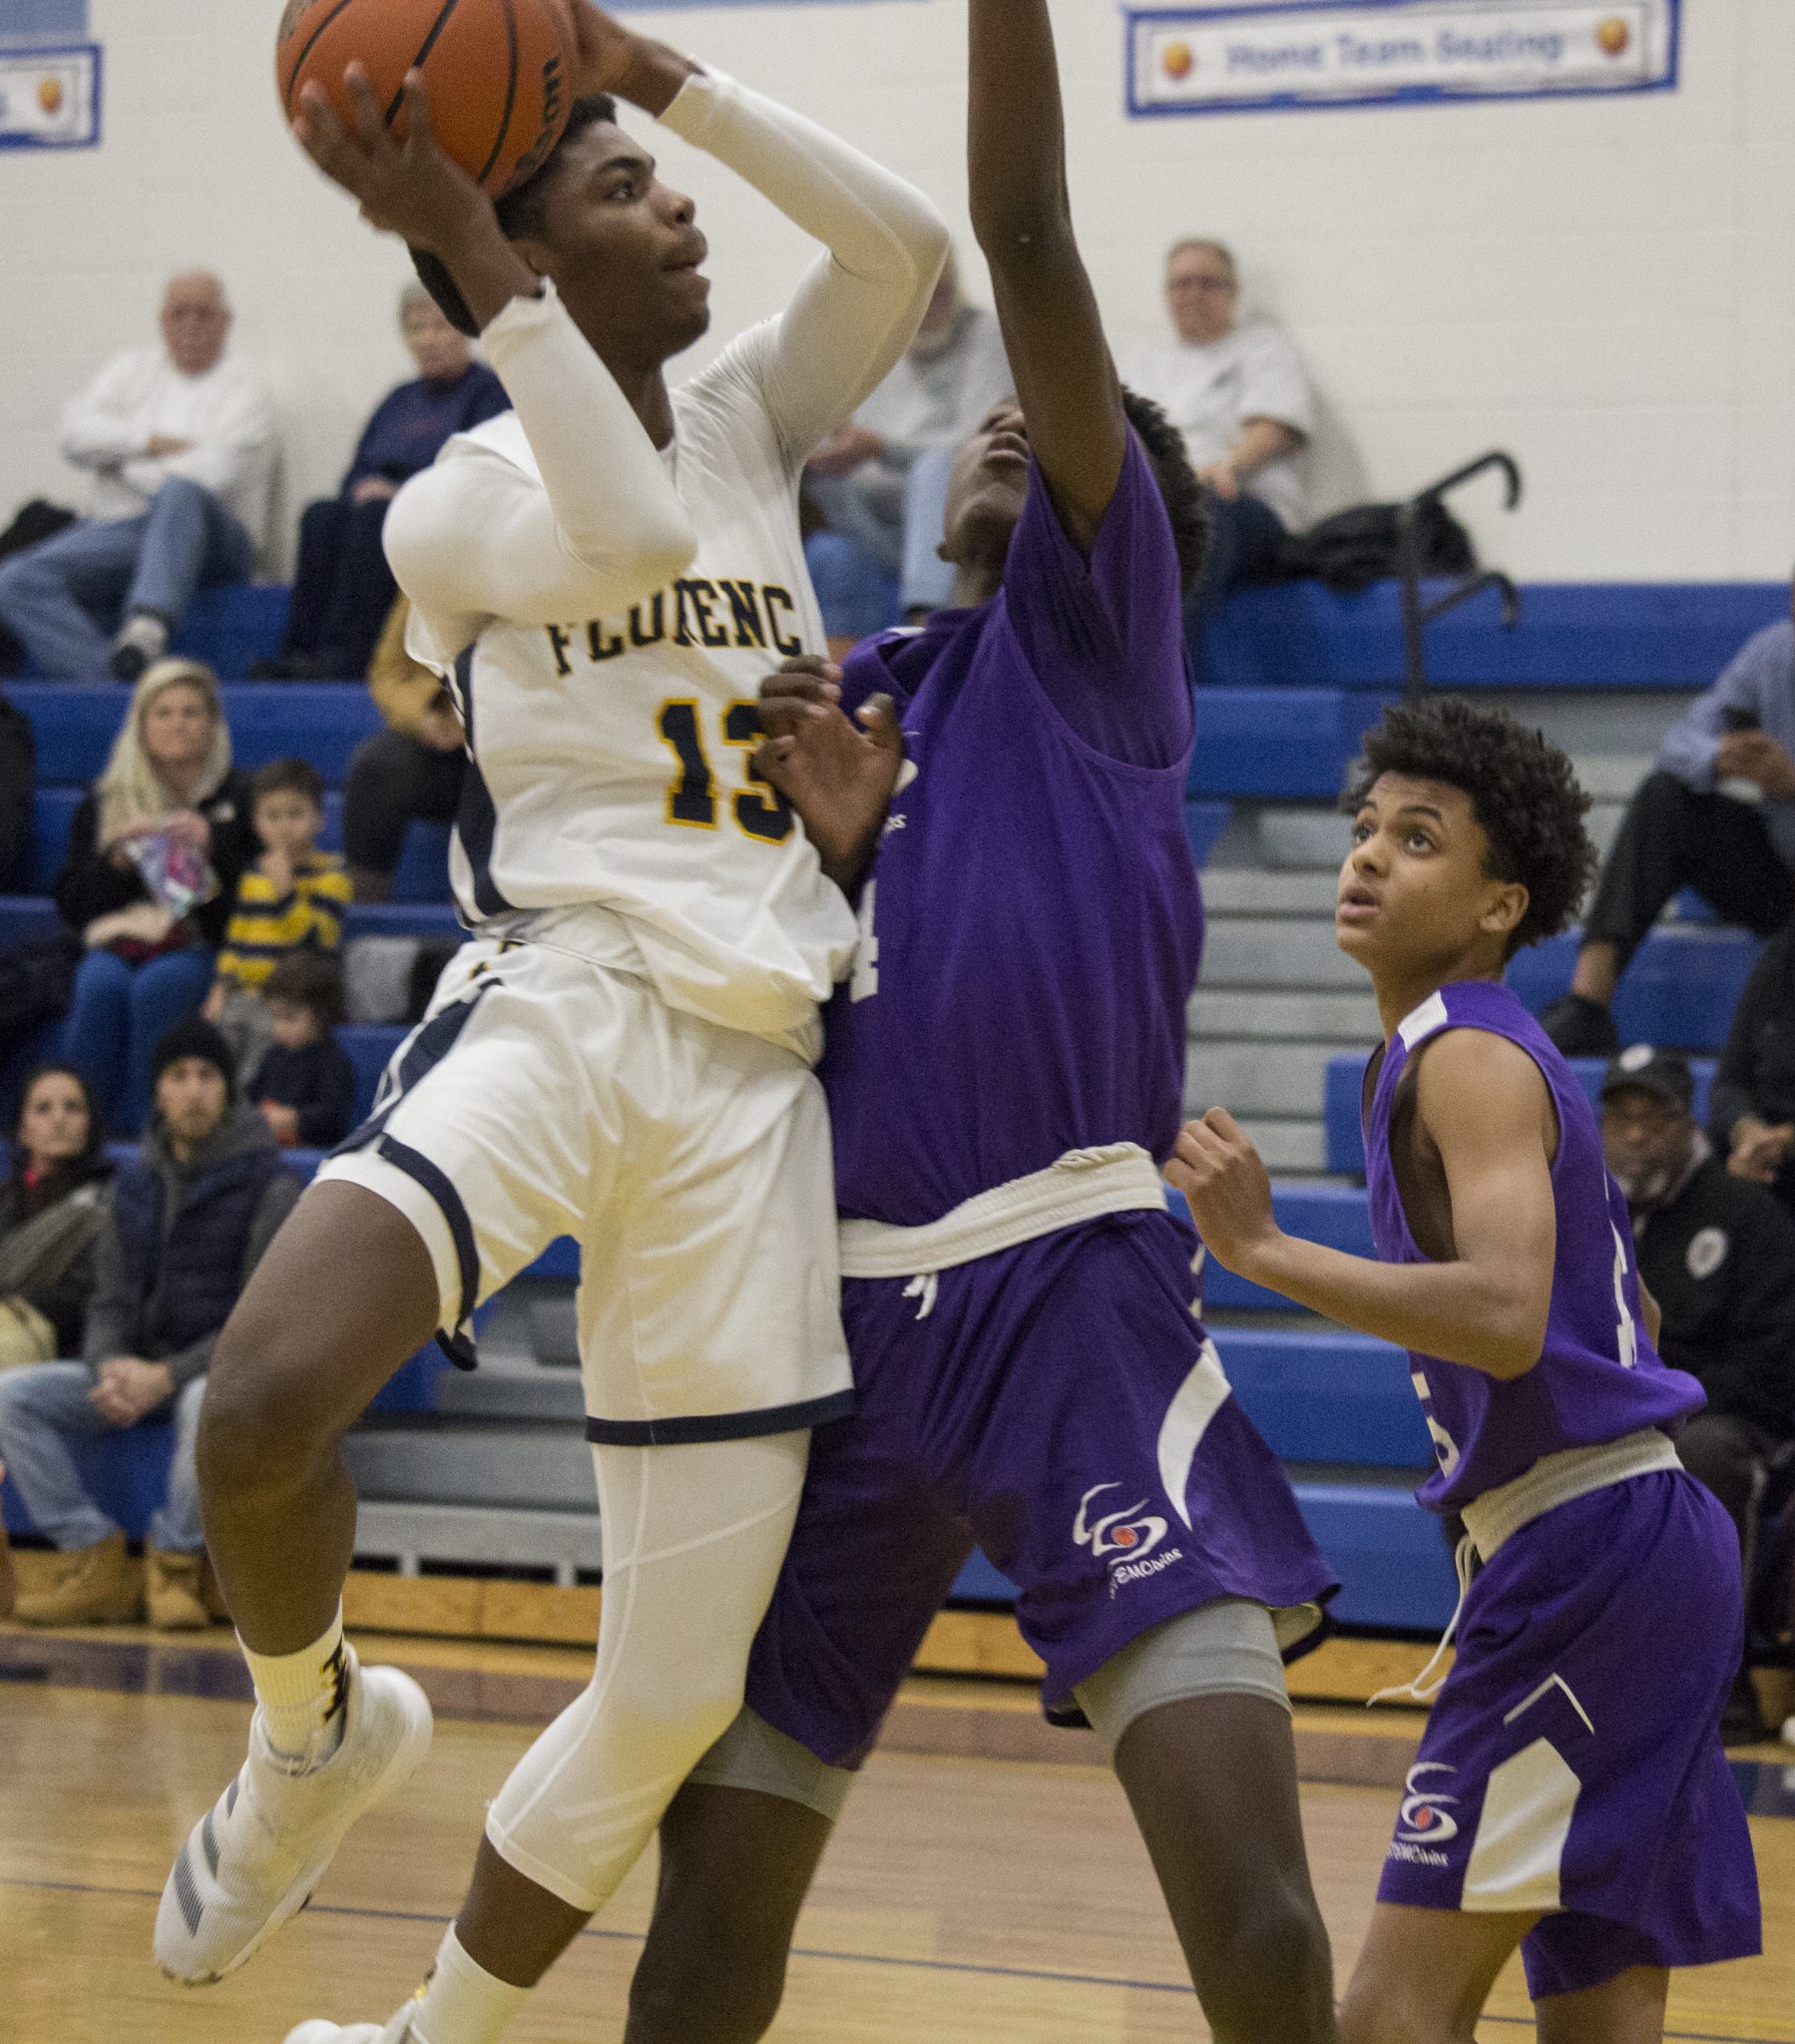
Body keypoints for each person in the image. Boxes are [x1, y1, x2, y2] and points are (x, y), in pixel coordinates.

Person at [155, 1, 948, 2025]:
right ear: (514, 246)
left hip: (756, 1081)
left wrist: (651, 70)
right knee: (253, 1410)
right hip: (569, 1005)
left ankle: (435, 2031)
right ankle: (309, 1725)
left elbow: (908, 254)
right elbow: (626, 528)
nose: (679, 205)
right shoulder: (452, 494)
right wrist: (480, 256)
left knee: (672, 1687)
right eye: (624, 186)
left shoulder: (754, 412)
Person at [615, 3, 1343, 2040]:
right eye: (1004, 414)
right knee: (707, 1904)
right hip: (832, 1328)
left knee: (1256, 1921)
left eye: (1078, 416)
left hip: (1062, 1301)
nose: (1025, 416)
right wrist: (836, 867)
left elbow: (1017, 229)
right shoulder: (855, 695)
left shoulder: (1092, 653)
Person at [1167, 696, 1760, 2044]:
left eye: (1416, 838)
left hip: (1587, 1556)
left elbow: (1503, 1315)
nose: (1366, 856)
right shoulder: (1449, 1051)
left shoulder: (1467, 1050)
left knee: (1386, 2015)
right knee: (1598, 2009)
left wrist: (1260, 1247)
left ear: (1498, 901)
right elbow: (1637, 1325)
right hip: (1626, 1539)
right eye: (1364, 828)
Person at [0, 1020, 298, 1631]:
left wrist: (165, 1375)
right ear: (157, 1091)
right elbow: (108, 1300)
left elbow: (261, 1323)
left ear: (227, 1090)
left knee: (202, 1398)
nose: (192, 1091)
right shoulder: (132, 1182)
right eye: (177, 1076)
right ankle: (91, 1555)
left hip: (217, 1373)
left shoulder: (271, 1184)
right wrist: (112, 1367)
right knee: (11, 1396)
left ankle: (176, 1563)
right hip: (134, 1368)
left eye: (206, 1076)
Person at [1599, 1043, 1795, 1744]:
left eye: (1651, 1117)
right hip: (1618, 1418)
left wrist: (1666, 1401)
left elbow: (1775, 1359)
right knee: (1498, 1449)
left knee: (1705, 1456)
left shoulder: (1747, 1215)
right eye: (1618, 1116)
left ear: (1687, 1125)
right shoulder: (1590, 1219)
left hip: (1728, 1420)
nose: (1632, 1133)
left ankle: (1722, 1683)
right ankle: (1537, 1676)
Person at [1544, 574, 1795, 1056]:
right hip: (1781, 879)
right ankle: (1587, 1004)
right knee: (1664, 799)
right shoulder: (1773, 653)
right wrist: (1718, 757)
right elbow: (1680, 740)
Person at [0, 272, 274, 684]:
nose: (190, 325)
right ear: (163, 320)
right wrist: (149, 444)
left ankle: (146, 627)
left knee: (181, 494)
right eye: (178, 313)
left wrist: (118, 463)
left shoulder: (247, 388)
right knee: (15, 581)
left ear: (225, 321)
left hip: (214, 541)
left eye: (203, 314)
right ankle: (114, 684)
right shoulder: (131, 370)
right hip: (122, 534)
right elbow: (74, 434)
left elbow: (210, 476)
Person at [259, 286, 508, 682]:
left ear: (463, 329)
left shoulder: (488, 393)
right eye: (416, 328)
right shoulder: (397, 400)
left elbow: (476, 473)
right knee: (320, 516)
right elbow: (356, 473)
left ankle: (346, 655)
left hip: (436, 521)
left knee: (374, 515)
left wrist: (400, 493)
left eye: (438, 326)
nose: (427, 339)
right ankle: (300, 651)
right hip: (374, 512)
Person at [54, 660, 255, 1133]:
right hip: (117, 942)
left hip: (203, 947)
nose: (177, 724)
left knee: (159, 986)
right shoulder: (106, 800)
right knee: (98, 982)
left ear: (213, 723)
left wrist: (211, 852)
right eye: (163, 713)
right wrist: (119, 862)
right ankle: (83, 1137)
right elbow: (73, 907)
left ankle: (158, 1139)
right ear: (141, 724)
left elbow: (250, 910)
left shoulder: (242, 797)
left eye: (191, 712)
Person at [803, 249, 1012, 646]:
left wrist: (882, 448)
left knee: (936, 467)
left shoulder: (984, 335)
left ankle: (926, 622)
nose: (938, 289)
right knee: (818, 509)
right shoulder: (872, 348)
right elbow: (853, 443)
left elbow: (979, 444)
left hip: (950, 519)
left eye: (944, 279)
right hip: (874, 516)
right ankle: (840, 681)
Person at [1122, 238, 1311, 633]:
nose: (1193, 294)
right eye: (1181, 284)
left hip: (1241, 505)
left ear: (1233, 291)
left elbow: (1275, 428)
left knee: (1198, 513)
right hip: (1159, 502)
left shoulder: (1263, 348)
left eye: (1207, 283)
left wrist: (1229, 467)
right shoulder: (1142, 362)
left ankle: (1168, 664)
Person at [203, 756, 353, 1077]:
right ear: (257, 823)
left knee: (255, 1073)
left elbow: (317, 945)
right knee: (216, 1058)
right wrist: (220, 990)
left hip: (290, 1002)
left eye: (295, 814)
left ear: (320, 818)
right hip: (243, 997)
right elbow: (237, 942)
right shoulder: (254, 875)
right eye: (272, 816)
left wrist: (286, 891)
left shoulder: (332, 876)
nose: (284, 825)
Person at [339, 597, 467, 901]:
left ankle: (486, 911)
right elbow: (387, 671)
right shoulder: (418, 572)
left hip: (499, 733)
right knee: (377, 767)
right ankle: (367, 915)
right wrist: (423, 717)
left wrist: (470, 720)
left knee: (501, 773)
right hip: (431, 728)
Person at [0, 1067, 112, 1372]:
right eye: (43, 1108)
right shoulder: (6, 1198)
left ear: (89, 1123)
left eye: (72, 1107)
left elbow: (93, 1292)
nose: (59, 1118)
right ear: (22, 1128)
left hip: (62, 1341)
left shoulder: (109, 1200)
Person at [1710, 915, 1795, 1218]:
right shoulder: (1782, 955)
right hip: (1759, 1157)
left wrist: (1785, 1139)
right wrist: (1746, 1131)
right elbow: (1729, 1083)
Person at [245, 953, 356, 1151]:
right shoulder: (274, 1056)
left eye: (289, 1017)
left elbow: (333, 1118)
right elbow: (249, 1098)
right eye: (275, 1016)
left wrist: (292, 1118)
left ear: (321, 1013)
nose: (279, 1027)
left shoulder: (333, 1062)